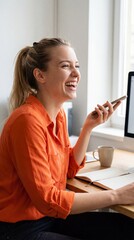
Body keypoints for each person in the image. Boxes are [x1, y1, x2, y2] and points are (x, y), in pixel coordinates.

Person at [0, 38, 133, 240]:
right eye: (65, 66)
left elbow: (68, 169)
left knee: (126, 228)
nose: (76, 74)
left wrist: (87, 128)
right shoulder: (27, 121)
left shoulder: (58, 114)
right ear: (40, 75)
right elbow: (48, 201)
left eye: (76, 66)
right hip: (21, 229)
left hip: (49, 217)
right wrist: (116, 196)